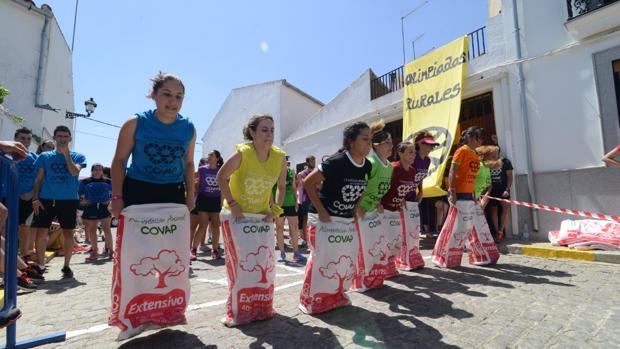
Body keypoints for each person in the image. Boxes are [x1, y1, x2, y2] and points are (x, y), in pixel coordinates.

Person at [216, 114, 287, 326]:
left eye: (272, 130)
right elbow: (221, 176)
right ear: (253, 133)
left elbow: (282, 187)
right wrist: (233, 203)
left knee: (263, 263)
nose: (269, 134)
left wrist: (275, 210)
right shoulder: (243, 153)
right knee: (240, 266)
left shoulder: (279, 157)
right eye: (264, 130)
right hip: (236, 217)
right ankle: (238, 311)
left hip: (261, 218)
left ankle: (262, 307)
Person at [299, 122, 372, 313]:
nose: (369, 143)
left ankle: (335, 295)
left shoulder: (367, 165)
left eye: (371, 139)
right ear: (351, 141)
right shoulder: (336, 161)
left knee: (343, 260)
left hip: (345, 220)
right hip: (323, 220)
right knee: (321, 259)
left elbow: (362, 188)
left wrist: (356, 208)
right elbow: (307, 183)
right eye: (365, 139)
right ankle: (310, 300)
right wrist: (322, 211)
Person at [109, 72, 196, 216]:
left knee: (171, 238)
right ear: (154, 94)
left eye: (178, 96)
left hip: (173, 192)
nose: (173, 101)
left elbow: (189, 163)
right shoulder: (135, 123)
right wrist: (117, 197)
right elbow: (119, 161)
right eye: (167, 94)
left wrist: (191, 195)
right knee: (136, 238)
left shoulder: (188, 127)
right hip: (138, 190)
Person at [431, 126, 500, 268]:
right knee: (454, 228)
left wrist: (474, 195)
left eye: (481, 138)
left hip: (470, 196)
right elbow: (452, 171)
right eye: (478, 138)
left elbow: (472, 177)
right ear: (470, 137)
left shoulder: (475, 154)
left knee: (468, 228)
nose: (480, 141)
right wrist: (452, 192)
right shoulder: (461, 151)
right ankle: (442, 256)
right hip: (459, 195)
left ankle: (479, 256)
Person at [31, 126, 86, 278]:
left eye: (65, 136)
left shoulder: (79, 156)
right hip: (46, 199)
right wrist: (35, 198)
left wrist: (66, 155)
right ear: (55, 138)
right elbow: (39, 178)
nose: (62, 139)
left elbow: (74, 172)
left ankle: (66, 266)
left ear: (70, 138)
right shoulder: (44, 157)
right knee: (41, 230)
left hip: (68, 200)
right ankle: (40, 265)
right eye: (59, 136)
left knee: (68, 232)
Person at [192, 150, 224, 260]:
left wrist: (222, 203)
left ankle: (214, 251)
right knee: (203, 225)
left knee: (215, 226)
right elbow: (194, 181)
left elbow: (224, 187)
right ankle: (193, 250)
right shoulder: (201, 169)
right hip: (203, 199)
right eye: (208, 155)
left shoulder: (221, 171)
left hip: (215, 200)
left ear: (217, 158)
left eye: (212, 155)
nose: (209, 157)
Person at [79, 163, 113, 261]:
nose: (97, 172)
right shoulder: (85, 182)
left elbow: (115, 194)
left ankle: (110, 250)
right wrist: (83, 200)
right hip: (91, 207)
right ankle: (94, 251)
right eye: (95, 170)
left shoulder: (109, 182)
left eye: (99, 170)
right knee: (92, 230)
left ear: (102, 171)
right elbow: (80, 193)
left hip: (104, 207)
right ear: (92, 171)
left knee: (107, 229)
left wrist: (110, 201)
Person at [408, 131, 439, 236]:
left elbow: (420, 177)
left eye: (432, 145)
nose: (431, 148)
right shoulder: (411, 157)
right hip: (401, 195)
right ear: (419, 143)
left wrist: (420, 191)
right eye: (428, 145)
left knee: (412, 224)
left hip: (413, 194)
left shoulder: (427, 160)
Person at [13, 128, 38, 261]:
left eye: (28, 138)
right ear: (15, 139)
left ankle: (23, 256)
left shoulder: (35, 157)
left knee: (25, 228)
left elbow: (40, 178)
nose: (26, 141)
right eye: (22, 138)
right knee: (9, 228)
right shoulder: (7, 155)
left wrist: (32, 193)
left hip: (29, 198)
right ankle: (9, 258)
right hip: (11, 197)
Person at [274, 160, 306, 263]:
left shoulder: (290, 172)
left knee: (294, 228)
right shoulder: (274, 172)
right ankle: (282, 253)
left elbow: (293, 188)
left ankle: (296, 253)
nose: (285, 163)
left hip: (291, 204)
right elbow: (270, 189)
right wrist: (272, 204)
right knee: (279, 229)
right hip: (279, 204)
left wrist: (296, 201)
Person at [486, 146, 513, 242]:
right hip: (492, 191)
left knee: (505, 209)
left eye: (495, 152)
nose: (493, 154)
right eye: (491, 153)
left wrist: (507, 189)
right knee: (493, 211)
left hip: (503, 191)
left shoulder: (506, 162)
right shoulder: (487, 163)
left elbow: (510, 177)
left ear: (498, 153)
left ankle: (501, 231)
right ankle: (497, 232)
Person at [296, 155, 315, 244]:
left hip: (315, 198)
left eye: (314, 160)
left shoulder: (316, 172)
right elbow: (301, 187)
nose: (314, 162)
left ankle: (310, 237)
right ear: (307, 162)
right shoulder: (302, 174)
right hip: (305, 199)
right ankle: (304, 239)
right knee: (305, 218)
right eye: (312, 160)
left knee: (314, 219)